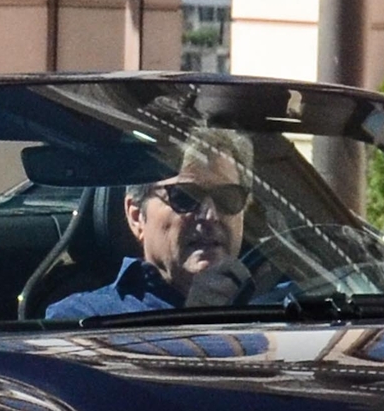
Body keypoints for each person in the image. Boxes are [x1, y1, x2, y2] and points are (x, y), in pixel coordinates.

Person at [45, 130, 256, 320]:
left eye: (227, 198)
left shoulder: (281, 309)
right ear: (136, 217)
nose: (210, 215)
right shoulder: (83, 319)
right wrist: (200, 314)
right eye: (185, 196)